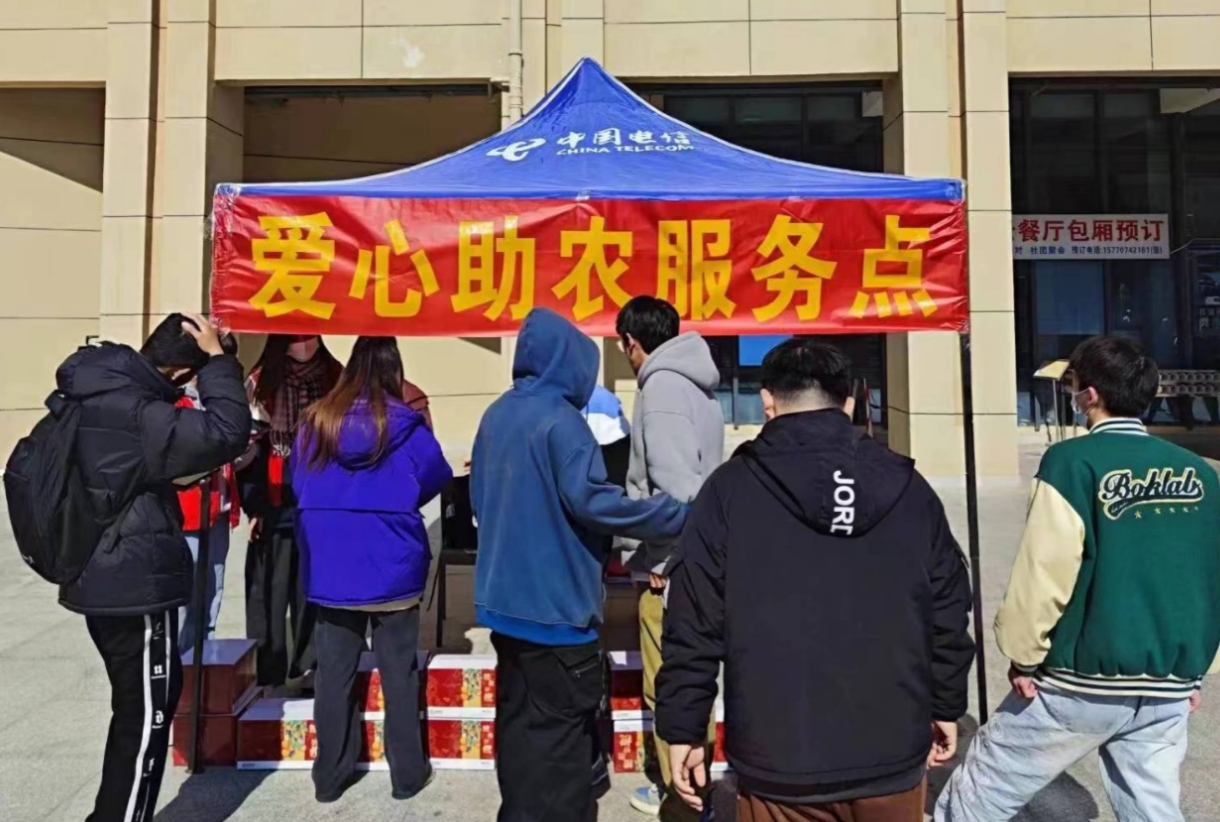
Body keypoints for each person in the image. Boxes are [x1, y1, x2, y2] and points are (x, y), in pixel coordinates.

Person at [656, 339, 974, 822]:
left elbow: (692, 619)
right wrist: (946, 702)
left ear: (767, 401)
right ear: (849, 402)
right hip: (889, 751)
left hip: (781, 758)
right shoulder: (910, 488)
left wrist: (684, 727)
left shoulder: (728, 489)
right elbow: (949, 605)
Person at [937, 335, 1220, 822]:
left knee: (979, 793)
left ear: (1089, 395)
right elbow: (1208, 576)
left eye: (1072, 384)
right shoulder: (1200, 474)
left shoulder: (1071, 463)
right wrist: (1195, 669)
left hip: (1081, 679)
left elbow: (1046, 569)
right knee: (1152, 807)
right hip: (1170, 682)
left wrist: (1024, 655)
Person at [471, 308, 689, 822]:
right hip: (558, 615)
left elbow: (480, 499)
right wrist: (674, 514)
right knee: (565, 758)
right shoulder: (562, 423)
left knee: (520, 739)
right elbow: (597, 505)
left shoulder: (496, 415)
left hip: (505, 610)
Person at [56, 313, 250, 822]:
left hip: (96, 568)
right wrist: (219, 361)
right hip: (132, 580)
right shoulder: (140, 411)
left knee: (135, 705)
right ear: (182, 373)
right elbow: (228, 431)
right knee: (145, 716)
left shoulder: (97, 391)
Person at [291, 336, 451, 803]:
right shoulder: (406, 424)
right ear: (393, 370)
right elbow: (436, 477)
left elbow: (298, 482)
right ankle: (407, 774)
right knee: (399, 671)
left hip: (331, 563)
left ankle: (329, 778)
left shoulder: (316, 421)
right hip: (393, 561)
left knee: (333, 674)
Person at [616, 296, 724, 820]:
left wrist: (661, 561)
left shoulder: (660, 387)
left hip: (671, 565)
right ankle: (696, 786)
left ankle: (682, 798)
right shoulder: (698, 383)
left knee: (668, 682)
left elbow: (675, 489)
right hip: (697, 556)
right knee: (691, 677)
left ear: (632, 342)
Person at [240, 334, 342, 687]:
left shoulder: (335, 376)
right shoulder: (260, 381)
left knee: (310, 589)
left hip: (319, 499)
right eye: (297, 338)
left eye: (310, 336)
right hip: (274, 498)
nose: (304, 344)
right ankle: (267, 671)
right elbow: (248, 448)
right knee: (268, 591)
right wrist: (253, 505)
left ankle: (309, 665)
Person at [176, 333, 247, 651]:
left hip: (219, 510)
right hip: (187, 513)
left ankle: (205, 661)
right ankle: (180, 665)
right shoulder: (177, 402)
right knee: (184, 599)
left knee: (212, 594)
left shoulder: (222, 401)